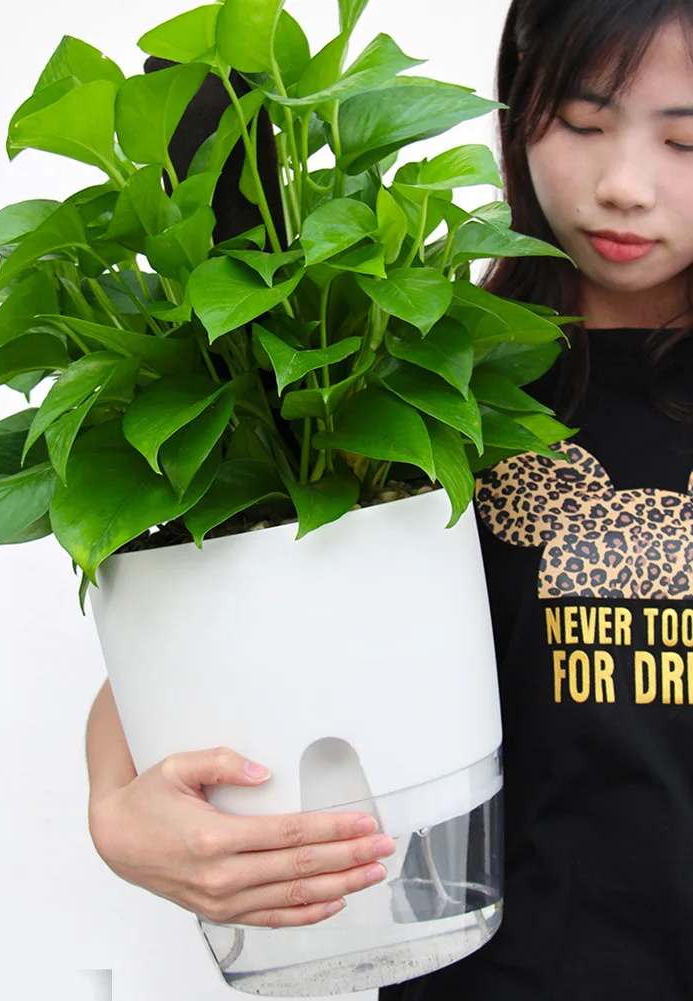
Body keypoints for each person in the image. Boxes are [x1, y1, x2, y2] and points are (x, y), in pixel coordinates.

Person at [85, 0, 693, 996]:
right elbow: (205, 633)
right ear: (519, 102)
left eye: (683, 141)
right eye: (581, 123)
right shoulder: (402, 375)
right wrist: (119, 811)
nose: (622, 184)